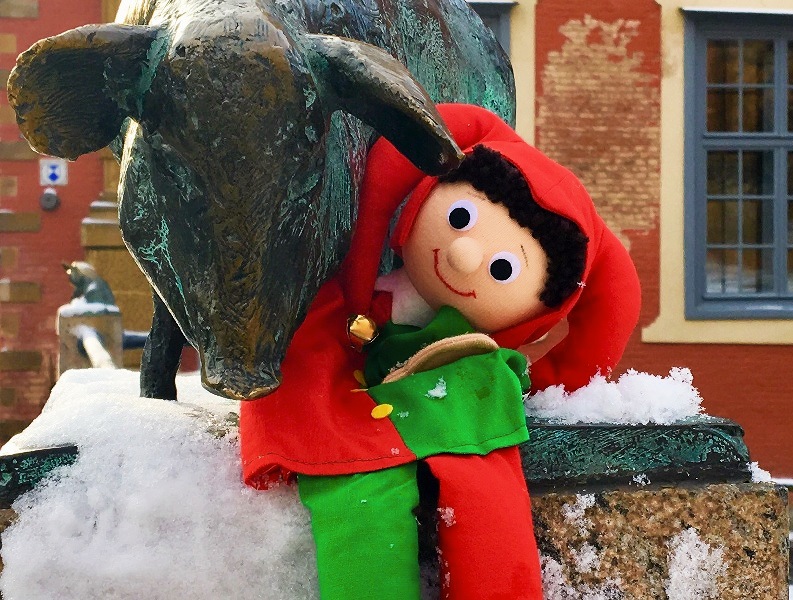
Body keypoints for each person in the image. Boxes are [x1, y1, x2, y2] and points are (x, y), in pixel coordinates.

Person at [236, 104, 642, 600]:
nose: (463, 255)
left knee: (487, 514)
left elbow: (609, 316)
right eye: (460, 218)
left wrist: (539, 380)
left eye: (503, 269)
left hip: (458, 385)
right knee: (364, 504)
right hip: (346, 382)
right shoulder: (338, 310)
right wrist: (358, 285)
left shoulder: (481, 367)